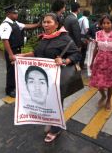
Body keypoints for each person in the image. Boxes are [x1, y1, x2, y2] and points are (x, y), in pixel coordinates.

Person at [18, 12, 81, 143]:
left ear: (57, 24)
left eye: (49, 22)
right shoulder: (44, 38)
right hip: (43, 79)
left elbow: (76, 54)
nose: (45, 25)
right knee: (46, 101)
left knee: (56, 102)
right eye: (44, 22)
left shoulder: (65, 38)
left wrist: (64, 61)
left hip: (57, 79)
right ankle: (50, 120)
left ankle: (56, 129)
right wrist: (21, 57)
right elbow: (37, 53)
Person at [0, 4, 40, 98]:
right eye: (15, 13)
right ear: (9, 14)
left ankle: (15, 86)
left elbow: (26, 26)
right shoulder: (5, 25)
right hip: (12, 51)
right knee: (11, 70)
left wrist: (38, 25)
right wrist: (10, 54)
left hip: (17, 50)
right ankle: (9, 90)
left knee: (16, 69)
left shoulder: (15, 23)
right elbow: (5, 40)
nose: (17, 15)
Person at [89, 14, 112, 111]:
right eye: (104, 23)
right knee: (99, 83)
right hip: (99, 62)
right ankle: (103, 96)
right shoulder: (98, 34)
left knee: (110, 83)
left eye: (108, 23)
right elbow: (96, 48)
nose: (106, 25)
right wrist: (92, 62)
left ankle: (108, 100)